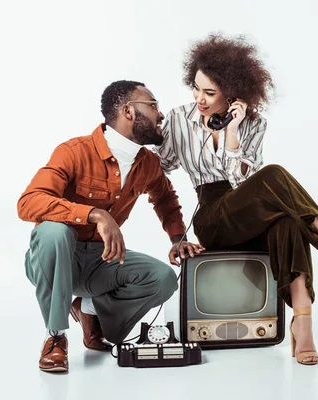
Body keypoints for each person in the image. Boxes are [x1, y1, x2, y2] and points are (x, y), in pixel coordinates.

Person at [154, 34, 318, 366]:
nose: (200, 99)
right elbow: (158, 169)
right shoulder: (179, 118)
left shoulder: (253, 124)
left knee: (287, 221)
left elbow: (243, 182)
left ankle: (303, 323)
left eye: (210, 93)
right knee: (275, 175)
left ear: (234, 95)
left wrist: (233, 133)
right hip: (213, 217)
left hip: (251, 208)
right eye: (195, 88)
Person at [17, 80, 204, 373]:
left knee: (163, 278)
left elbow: (165, 197)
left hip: (101, 262)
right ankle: (55, 337)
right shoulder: (74, 151)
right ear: (129, 111)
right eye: (153, 105)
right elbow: (29, 202)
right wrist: (95, 215)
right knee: (54, 231)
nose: (161, 114)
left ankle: (89, 309)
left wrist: (178, 238)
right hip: (56, 257)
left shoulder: (147, 164)